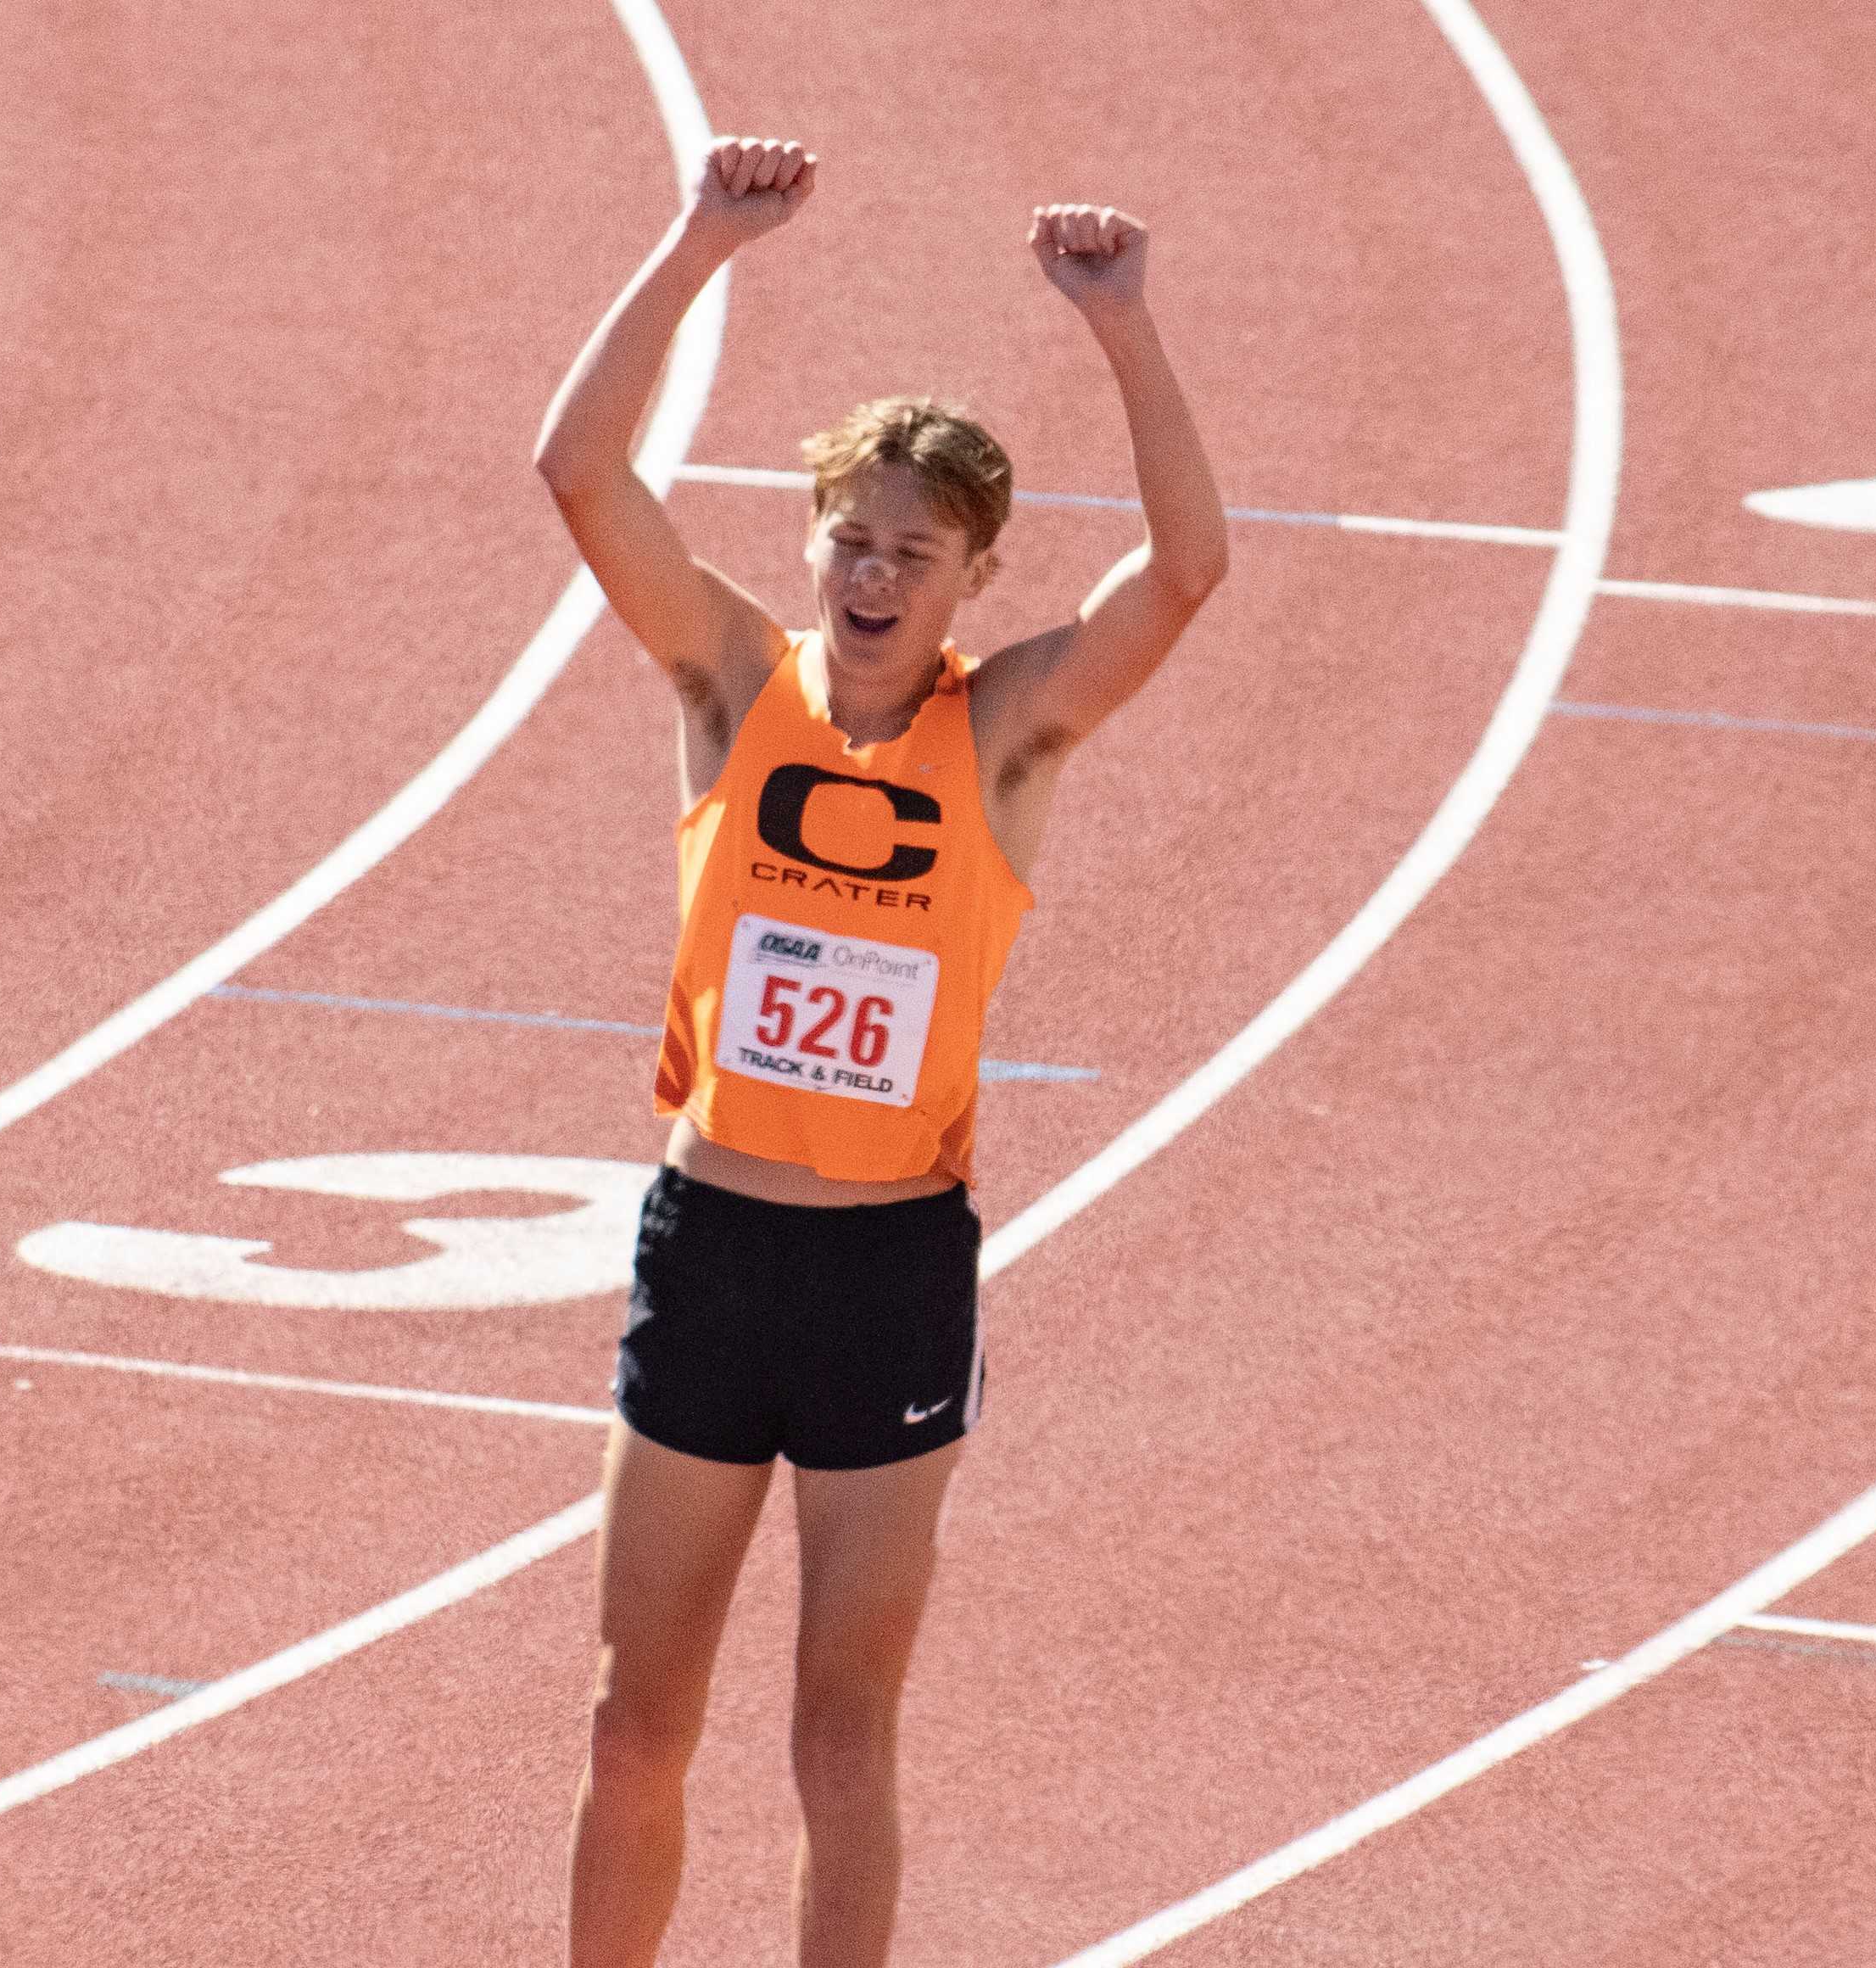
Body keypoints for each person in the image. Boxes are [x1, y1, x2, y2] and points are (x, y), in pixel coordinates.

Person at [533, 134, 1227, 1968]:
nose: (874, 571)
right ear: (811, 542)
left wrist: (1127, 330)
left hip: (882, 1270)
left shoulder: (1002, 738)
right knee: (632, 1720)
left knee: (839, 1735)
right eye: (851, 534)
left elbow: (1190, 570)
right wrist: (695, 245)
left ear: (970, 580)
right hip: (714, 1248)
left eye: (917, 552)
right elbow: (579, 471)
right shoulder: (727, 685)